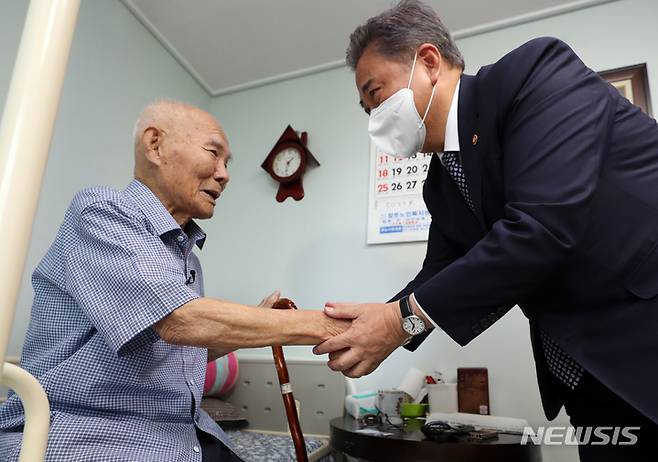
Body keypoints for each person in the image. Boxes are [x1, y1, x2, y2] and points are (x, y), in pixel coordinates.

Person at [314, 1, 658, 460]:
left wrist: (398, 321)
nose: (374, 115)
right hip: (585, 379)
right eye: (365, 107)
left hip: (642, 339)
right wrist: (377, 321)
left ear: (429, 62)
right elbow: (441, 270)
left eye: (376, 94)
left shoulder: (534, 75)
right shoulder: (441, 184)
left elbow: (543, 226)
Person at [0, 100, 349, 461]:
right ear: (155, 145)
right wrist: (327, 326)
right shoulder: (101, 211)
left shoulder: (188, 260)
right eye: (214, 153)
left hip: (181, 433)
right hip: (91, 435)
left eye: (227, 163)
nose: (224, 174)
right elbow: (179, 320)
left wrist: (254, 323)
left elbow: (179, 348)